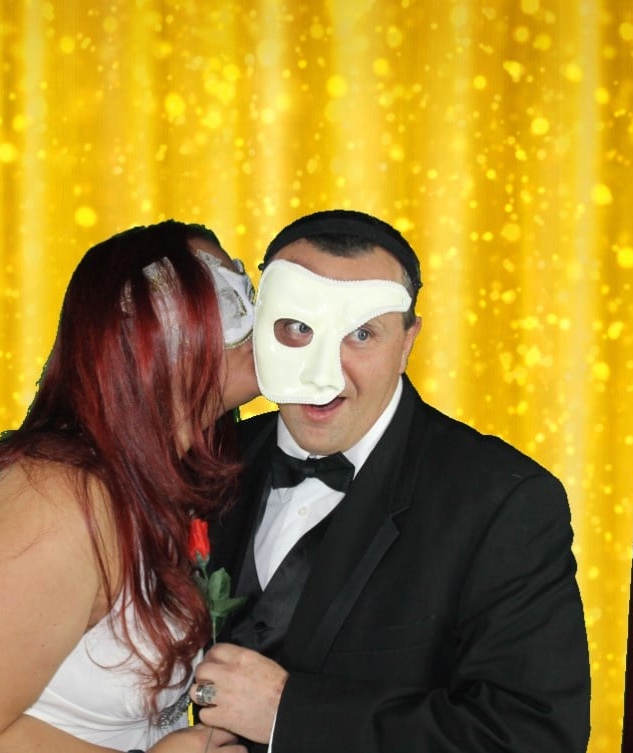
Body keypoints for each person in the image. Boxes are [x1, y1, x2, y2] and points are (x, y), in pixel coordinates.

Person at [190, 209, 590, 752]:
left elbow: (533, 737)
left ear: (406, 342)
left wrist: (292, 716)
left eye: (361, 334)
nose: (323, 373)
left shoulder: (503, 502)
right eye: (297, 328)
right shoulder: (205, 459)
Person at [0, 220, 257, 753]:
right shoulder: (54, 504)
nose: (253, 312)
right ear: (148, 331)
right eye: (221, 294)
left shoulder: (150, 487)